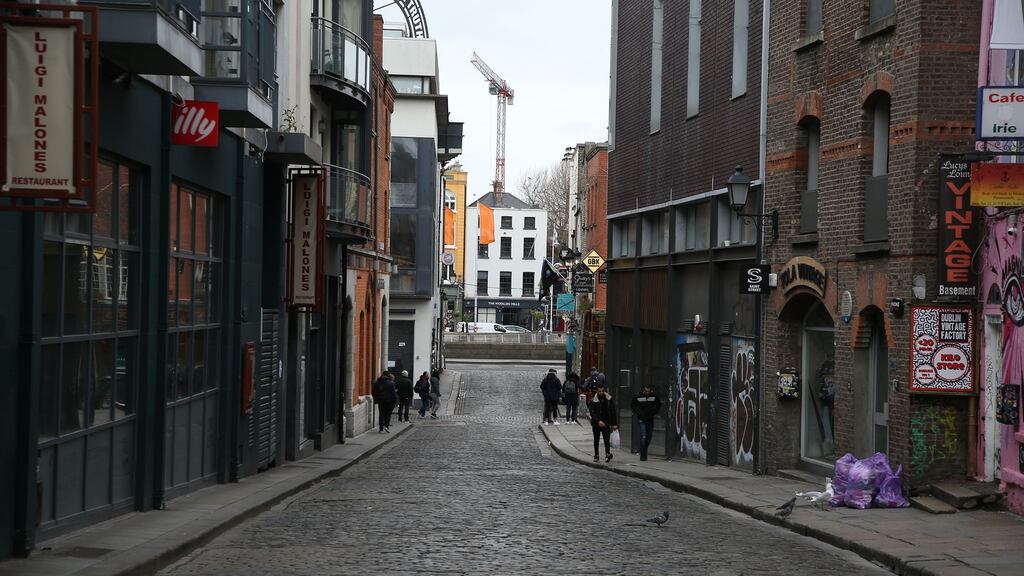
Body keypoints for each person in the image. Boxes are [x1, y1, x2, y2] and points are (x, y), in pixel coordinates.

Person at [631, 383, 662, 461]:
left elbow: (658, 405)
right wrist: (639, 412)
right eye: (645, 391)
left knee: (649, 437)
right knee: (643, 436)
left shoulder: (654, 397)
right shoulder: (638, 396)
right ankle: (643, 455)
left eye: (648, 391)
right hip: (641, 419)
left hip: (650, 419)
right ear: (643, 390)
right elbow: (633, 405)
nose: (647, 393)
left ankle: (644, 450)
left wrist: (653, 412)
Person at [589, 381, 618, 462]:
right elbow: (592, 413)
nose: (601, 392)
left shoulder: (609, 399)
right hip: (596, 423)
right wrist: (598, 421)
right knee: (596, 439)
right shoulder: (593, 400)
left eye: (602, 391)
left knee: (606, 439)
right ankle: (596, 455)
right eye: (599, 391)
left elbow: (613, 411)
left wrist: (614, 423)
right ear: (597, 391)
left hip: (606, 422)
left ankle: (607, 454)